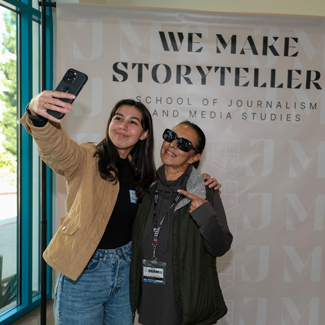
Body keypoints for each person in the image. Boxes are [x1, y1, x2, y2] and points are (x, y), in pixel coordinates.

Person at [20, 90, 221, 325]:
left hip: (126, 271)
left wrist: (203, 182)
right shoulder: (86, 157)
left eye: (133, 122)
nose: (123, 126)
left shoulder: (145, 176)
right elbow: (58, 150)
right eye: (118, 118)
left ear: (144, 134)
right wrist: (38, 117)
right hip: (85, 272)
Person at [130, 121, 233, 325]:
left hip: (188, 307)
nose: (173, 144)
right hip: (150, 301)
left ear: (195, 157)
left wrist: (204, 213)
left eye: (184, 144)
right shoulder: (145, 188)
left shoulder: (205, 192)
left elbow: (221, 246)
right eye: (170, 136)